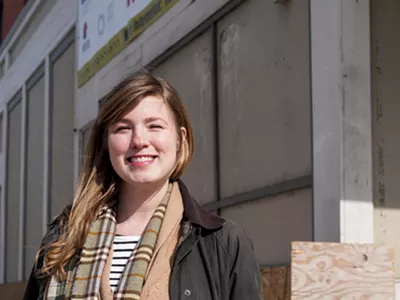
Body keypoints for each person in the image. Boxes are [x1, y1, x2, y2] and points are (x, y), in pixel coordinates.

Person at [24, 71, 263, 300]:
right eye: (123, 128)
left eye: (155, 126)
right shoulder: (64, 238)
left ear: (180, 139)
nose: (139, 140)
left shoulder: (223, 243)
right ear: (106, 142)